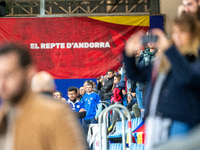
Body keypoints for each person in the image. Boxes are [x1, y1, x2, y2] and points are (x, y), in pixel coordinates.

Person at [124, 13, 200, 150]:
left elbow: (186, 77)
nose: (178, 37)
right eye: (175, 32)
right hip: (157, 120)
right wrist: (128, 54)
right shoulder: (164, 60)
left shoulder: (194, 57)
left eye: (182, 32)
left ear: (194, 33)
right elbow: (136, 75)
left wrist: (169, 51)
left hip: (181, 120)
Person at [0, 43, 89, 150]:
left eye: (9, 75)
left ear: (29, 73)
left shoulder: (56, 114)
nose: (2, 84)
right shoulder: (4, 116)